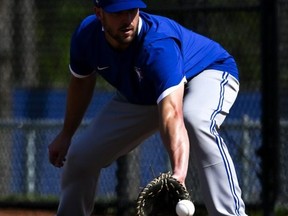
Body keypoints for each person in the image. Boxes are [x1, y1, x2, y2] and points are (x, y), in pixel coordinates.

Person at [48, 0, 248, 215]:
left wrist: (179, 174)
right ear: (99, 13)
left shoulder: (158, 44)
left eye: (132, 11)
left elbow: (172, 113)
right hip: (146, 95)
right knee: (80, 157)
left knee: (195, 119)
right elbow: (81, 82)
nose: (127, 20)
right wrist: (66, 134)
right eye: (117, 12)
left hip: (205, 73)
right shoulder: (86, 36)